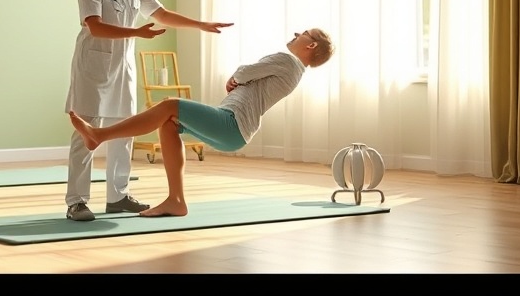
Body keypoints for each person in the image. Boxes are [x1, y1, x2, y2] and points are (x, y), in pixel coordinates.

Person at [64, 0, 234, 222]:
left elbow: (161, 13)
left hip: (122, 67)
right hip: (92, 65)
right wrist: (138, 33)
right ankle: (77, 201)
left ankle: (118, 196)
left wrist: (200, 25)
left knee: (123, 131)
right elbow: (95, 27)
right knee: (86, 133)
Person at [69, 28, 335, 218]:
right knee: (169, 122)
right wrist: (238, 79)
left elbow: (244, 72)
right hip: (235, 130)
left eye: (304, 33)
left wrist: (235, 77)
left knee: (169, 105)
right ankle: (176, 201)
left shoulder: (286, 60)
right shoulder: (294, 71)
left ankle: (100, 135)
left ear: (310, 46)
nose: (297, 32)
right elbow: (247, 77)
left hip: (232, 124)